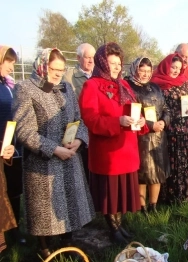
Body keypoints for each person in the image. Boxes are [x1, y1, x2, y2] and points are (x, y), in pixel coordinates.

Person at [12, 48, 95, 258]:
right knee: (46, 212)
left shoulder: (66, 87)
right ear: (42, 65)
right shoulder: (25, 88)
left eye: (61, 69)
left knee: (70, 206)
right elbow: (23, 130)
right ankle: (45, 250)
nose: (58, 74)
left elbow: (79, 119)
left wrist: (78, 140)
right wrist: (53, 149)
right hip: (43, 163)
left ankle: (67, 245)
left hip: (69, 157)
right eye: (53, 69)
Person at [79, 42, 148, 244]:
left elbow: (134, 110)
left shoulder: (124, 85)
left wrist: (142, 121)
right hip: (107, 152)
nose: (117, 67)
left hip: (126, 149)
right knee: (110, 193)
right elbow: (90, 119)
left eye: (119, 63)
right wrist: (117, 122)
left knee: (122, 192)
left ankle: (120, 225)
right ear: (102, 63)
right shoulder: (92, 85)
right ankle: (114, 229)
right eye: (112, 63)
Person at [125, 57, 170, 215]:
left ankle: (154, 205)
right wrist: (151, 125)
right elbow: (133, 114)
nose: (145, 74)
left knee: (157, 173)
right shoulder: (129, 87)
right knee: (143, 174)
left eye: (148, 71)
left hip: (159, 136)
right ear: (135, 69)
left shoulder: (156, 87)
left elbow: (166, 107)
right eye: (142, 70)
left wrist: (164, 121)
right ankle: (142, 206)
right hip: (141, 138)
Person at [151, 53, 188, 204]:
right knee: (169, 163)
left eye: (178, 68)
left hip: (184, 130)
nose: (176, 70)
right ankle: (168, 198)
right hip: (168, 130)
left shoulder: (183, 82)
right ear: (166, 66)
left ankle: (183, 195)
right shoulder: (157, 84)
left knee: (183, 163)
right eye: (173, 67)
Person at [0, 45, 25, 245]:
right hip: (1, 144)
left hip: (13, 145)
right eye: (8, 62)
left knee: (14, 189)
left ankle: (15, 231)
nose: (11, 67)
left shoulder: (9, 85)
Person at [64, 43, 96, 183]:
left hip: (96, 125)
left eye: (93, 57)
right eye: (87, 57)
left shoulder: (98, 74)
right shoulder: (69, 77)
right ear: (78, 58)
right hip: (79, 126)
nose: (90, 61)